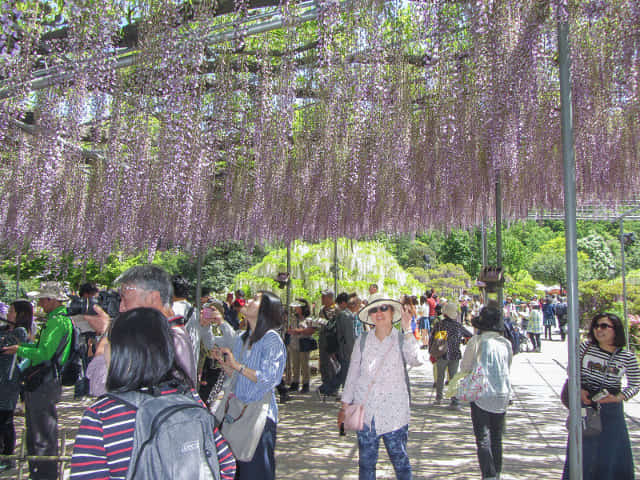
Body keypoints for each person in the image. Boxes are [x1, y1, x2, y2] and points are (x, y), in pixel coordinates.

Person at [69, 307, 236, 479]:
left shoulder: (101, 414)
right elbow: (225, 463)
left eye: (108, 343)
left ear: (121, 353)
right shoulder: (189, 397)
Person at [338, 293, 424, 480]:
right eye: (374, 309)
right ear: (369, 314)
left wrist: (408, 329)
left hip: (394, 413)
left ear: (393, 312)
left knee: (400, 462)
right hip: (366, 413)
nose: (379, 312)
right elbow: (352, 375)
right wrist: (344, 407)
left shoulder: (401, 339)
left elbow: (416, 359)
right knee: (366, 465)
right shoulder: (362, 341)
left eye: (384, 308)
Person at [87, 265, 198, 395]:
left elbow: (101, 387)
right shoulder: (172, 332)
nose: (121, 308)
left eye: (125, 299)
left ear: (153, 297)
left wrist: (107, 335)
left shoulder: (160, 339)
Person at [212, 291, 286, 480]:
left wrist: (237, 365)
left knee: (256, 471)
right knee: (236, 469)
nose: (248, 301)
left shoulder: (271, 339)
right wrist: (225, 363)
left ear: (265, 310)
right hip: (237, 413)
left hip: (258, 416)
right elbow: (237, 376)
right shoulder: (241, 338)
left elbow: (269, 378)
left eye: (255, 299)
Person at [2, 282, 73, 480]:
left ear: (51, 300)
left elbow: (44, 353)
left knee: (41, 433)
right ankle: (40, 472)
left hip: (44, 382)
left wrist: (20, 350)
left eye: (42, 299)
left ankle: (43, 474)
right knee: (38, 430)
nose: (40, 303)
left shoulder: (57, 322)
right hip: (47, 381)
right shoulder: (59, 320)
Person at [561, 313, 640, 480]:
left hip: (610, 410)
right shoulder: (585, 348)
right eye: (596, 326)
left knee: (610, 453)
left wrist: (619, 397)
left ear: (615, 330)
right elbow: (572, 370)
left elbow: (635, 383)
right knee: (582, 450)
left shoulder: (627, 356)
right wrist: (579, 389)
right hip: (585, 406)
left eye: (604, 326)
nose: (599, 330)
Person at [460, 305, 513, 480]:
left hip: (481, 394)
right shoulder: (505, 343)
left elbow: (465, 367)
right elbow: (508, 366)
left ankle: (488, 474)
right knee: (497, 436)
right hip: (501, 393)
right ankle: (496, 472)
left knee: (483, 437)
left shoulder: (476, 341)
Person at [0, 300, 31, 471]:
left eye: (12, 311)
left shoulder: (20, 332)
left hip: (9, 382)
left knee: (5, 421)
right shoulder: (5, 330)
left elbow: (5, 345)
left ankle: (8, 457)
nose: (8, 314)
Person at [429, 302, 472, 408]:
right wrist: (461, 341)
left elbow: (436, 339)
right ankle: (454, 399)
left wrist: (432, 351)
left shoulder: (440, 325)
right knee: (453, 377)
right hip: (455, 354)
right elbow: (470, 335)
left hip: (442, 354)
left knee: (440, 376)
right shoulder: (458, 326)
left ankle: (439, 398)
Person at [172, 274, 215, 368]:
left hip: (170, 372)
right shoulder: (197, 314)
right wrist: (207, 325)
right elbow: (210, 344)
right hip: (190, 372)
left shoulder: (166, 312)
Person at [286, 298, 316, 394]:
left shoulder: (309, 319)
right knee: (295, 364)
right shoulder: (293, 318)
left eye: (298, 306)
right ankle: (295, 382)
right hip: (294, 344)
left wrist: (298, 331)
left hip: (304, 344)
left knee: (304, 364)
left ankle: (306, 384)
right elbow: (290, 328)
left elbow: (311, 330)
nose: (296, 308)